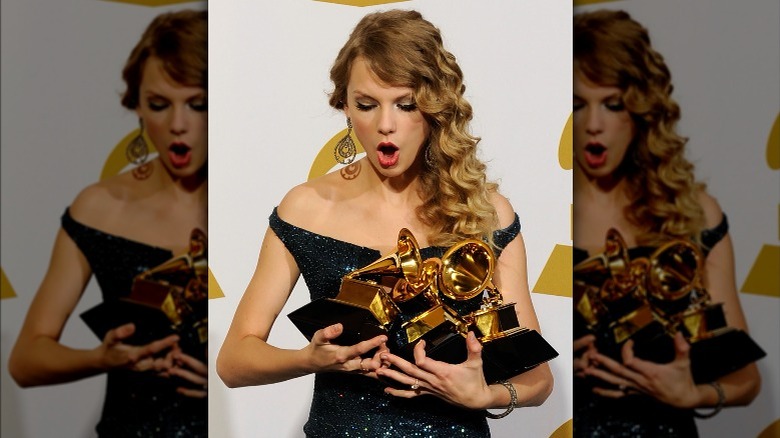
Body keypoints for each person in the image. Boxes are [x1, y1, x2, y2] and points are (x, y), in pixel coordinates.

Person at [216, 9, 553, 437]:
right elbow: (233, 361)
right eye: (366, 104)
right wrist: (310, 358)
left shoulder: (486, 212)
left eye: (406, 104)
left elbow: (539, 380)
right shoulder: (306, 207)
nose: (385, 125)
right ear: (344, 107)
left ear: (434, 108)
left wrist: (483, 395)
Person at [8, 9, 208, 437]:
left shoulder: (259, 205)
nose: (178, 125)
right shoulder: (101, 207)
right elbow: (27, 359)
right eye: (159, 105)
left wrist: (238, 377)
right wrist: (102, 357)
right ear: (135, 105)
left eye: (198, 105)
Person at [572, 9, 761, 437]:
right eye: (578, 105)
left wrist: (692, 394)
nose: (594, 125)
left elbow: (746, 381)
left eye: (613, 104)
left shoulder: (694, 215)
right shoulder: (541, 212)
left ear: (640, 111)